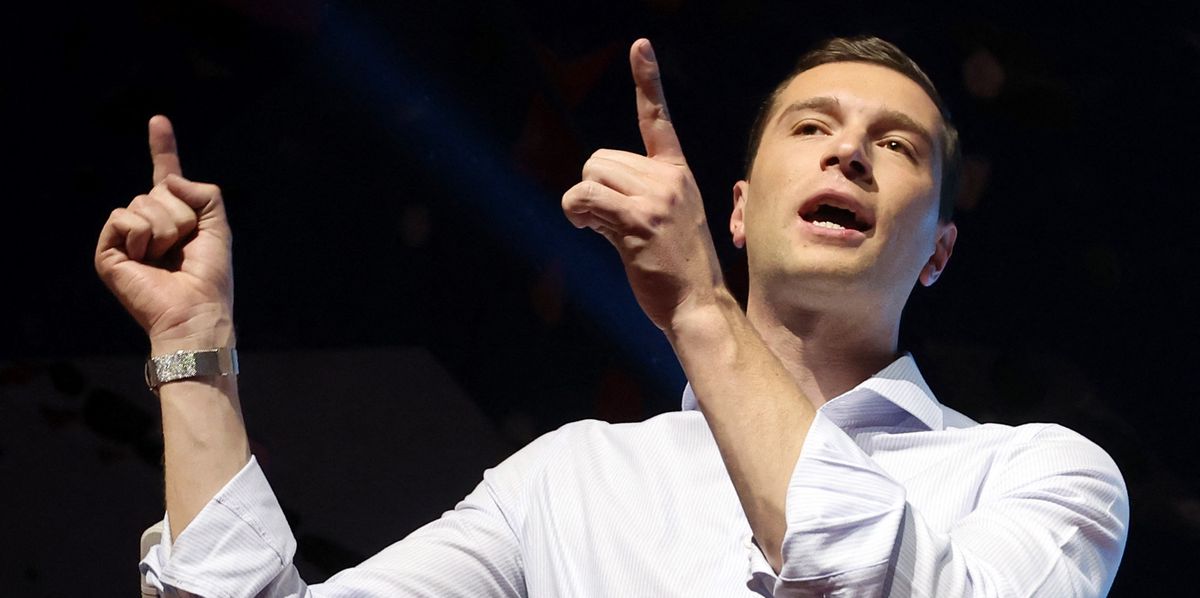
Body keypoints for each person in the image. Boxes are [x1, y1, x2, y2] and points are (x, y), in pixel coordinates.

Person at [97, 36, 1128, 596]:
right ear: (737, 207)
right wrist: (195, 351)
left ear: (939, 250)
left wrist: (698, 307)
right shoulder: (571, 478)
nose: (849, 152)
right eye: (812, 127)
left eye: (896, 146)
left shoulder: (1040, 473)